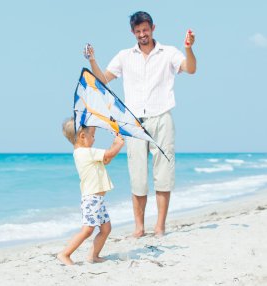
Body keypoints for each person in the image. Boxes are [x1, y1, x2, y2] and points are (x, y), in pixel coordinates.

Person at [84, 11, 196, 237]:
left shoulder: (169, 53)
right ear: (132, 32)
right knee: (137, 177)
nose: (142, 34)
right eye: (138, 31)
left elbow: (191, 69)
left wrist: (188, 48)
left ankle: (160, 226)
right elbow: (103, 80)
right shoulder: (124, 56)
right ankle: (139, 227)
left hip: (161, 117)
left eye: (145, 30)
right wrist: (92, 60)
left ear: (153, 28)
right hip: (133, 122)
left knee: (163, 175)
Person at [57, 118, 124, 265]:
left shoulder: (86, 153)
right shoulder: (84, 152)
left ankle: (93, 255)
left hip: (98, 200)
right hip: (91, 198)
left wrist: (114, 145)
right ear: (82, 136)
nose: (94, 139)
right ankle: (64, 254)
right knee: (87, 230)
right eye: (92, 135)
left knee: (106, 228)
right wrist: (118, 144)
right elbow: (109, 154)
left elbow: (106, 159)